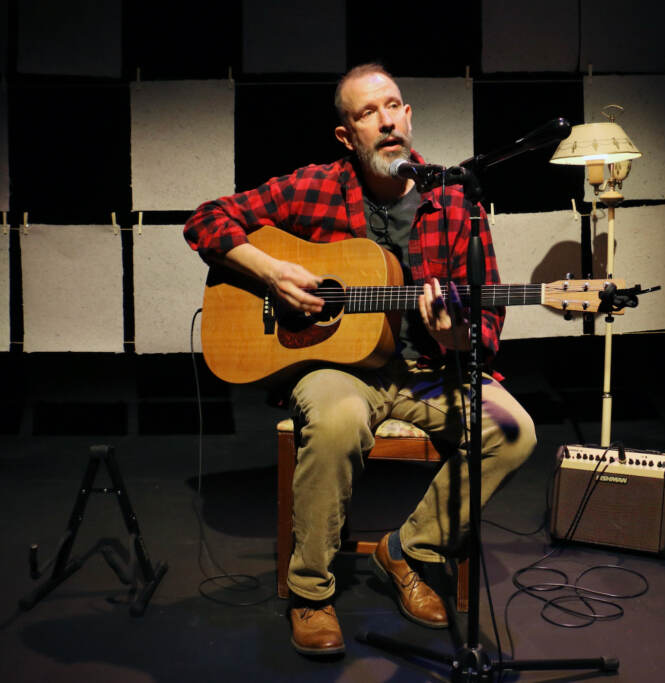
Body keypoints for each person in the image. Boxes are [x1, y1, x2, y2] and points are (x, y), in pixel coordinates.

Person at [184, 64, 536, 656]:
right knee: (338, 418)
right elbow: (204, 220)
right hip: (338, 370)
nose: (386, 120)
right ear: (347, 135)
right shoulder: (314, 187)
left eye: (393, 105)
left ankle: (406, 551)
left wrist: (454, 337)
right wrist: (273, 272)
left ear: (409, 115)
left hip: (429, 375)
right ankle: (312, 592)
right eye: (367, 112)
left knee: (514, 432)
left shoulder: (455, 201)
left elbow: (488, 326)